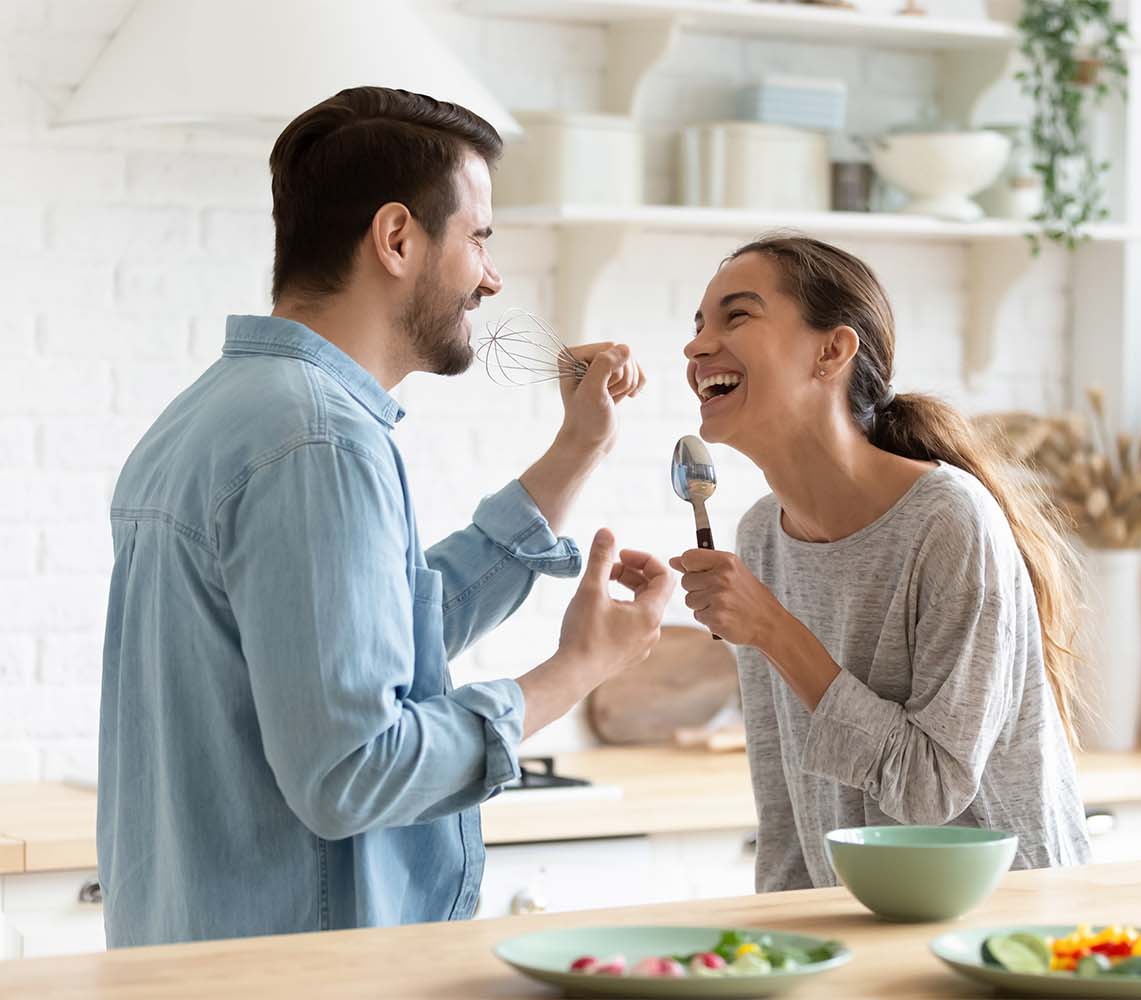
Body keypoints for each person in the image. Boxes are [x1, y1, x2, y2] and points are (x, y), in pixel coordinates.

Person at [97, 87, 671, 947]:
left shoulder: (221, 411)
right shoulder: (318, 440)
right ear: (397, 238)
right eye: (479, 237)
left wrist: (577, 449)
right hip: (301, 972)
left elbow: (360, 643)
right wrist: (575, 670)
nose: (492, 276)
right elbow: (352, 771)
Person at [672, 235, 1090, 892]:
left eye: (737, 316)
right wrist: (778, 941)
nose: (697, 346)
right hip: (856, 921)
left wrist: (775, 630)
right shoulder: (760, 538)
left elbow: (932, 788)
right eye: (697, 326)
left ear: (832, 351)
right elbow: (786, 797)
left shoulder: (948, 521)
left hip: (1001, 921)